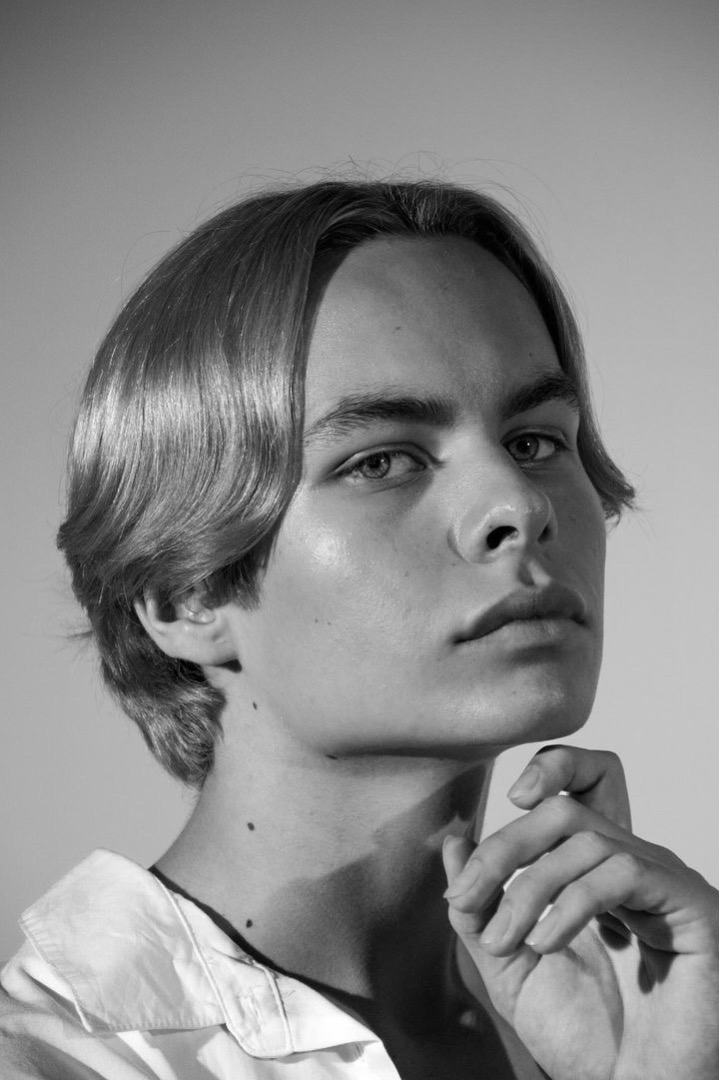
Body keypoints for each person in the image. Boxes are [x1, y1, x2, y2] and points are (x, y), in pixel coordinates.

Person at [1, 178, 717, 1080]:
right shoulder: (51, 1060)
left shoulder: (643, 1010)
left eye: (535, 440)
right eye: (381, 461)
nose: (518, 503)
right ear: (185, 593)